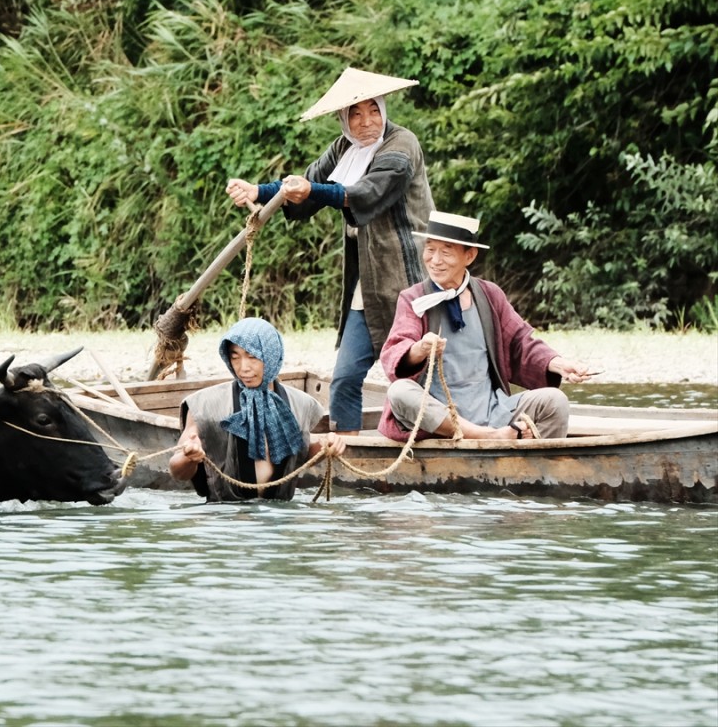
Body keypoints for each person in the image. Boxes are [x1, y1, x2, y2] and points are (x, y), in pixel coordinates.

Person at [226, 67, 434, 435]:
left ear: (383, 110)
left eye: (373, 110)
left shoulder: (402, 146)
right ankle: (347, 454)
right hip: (365, 284)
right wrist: (258, 191)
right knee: (345, 378)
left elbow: (368, 193)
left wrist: (313, 191)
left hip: (407, 279)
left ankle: (429, 443)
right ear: (343, 118)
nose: (366, 121)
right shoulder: (342, 149)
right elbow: (303, 189)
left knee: (414, 373)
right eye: (355, 113)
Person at [378, 212, 592, 442]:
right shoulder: (414, 298)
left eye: (446, 251)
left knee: (554, 401)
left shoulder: (489, 295)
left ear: (469, 256)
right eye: (430, 249)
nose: (435, 260)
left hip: (492, 409)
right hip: (439, 418)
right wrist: (419, 349)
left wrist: (558, 364)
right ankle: (489, 436)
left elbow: (520, 342)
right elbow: (397, 351)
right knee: (399, 392)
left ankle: (535, 469)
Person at [168, 317, 345, 502]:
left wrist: (325, 448)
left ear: (271, 355)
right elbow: (177, 471)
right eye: (235, 356)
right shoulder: (204, 405)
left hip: (280, 516)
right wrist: (190, 457)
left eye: (252, 356)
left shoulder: (301, 405)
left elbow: (298, 454)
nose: (243, 368)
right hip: (225, 517)